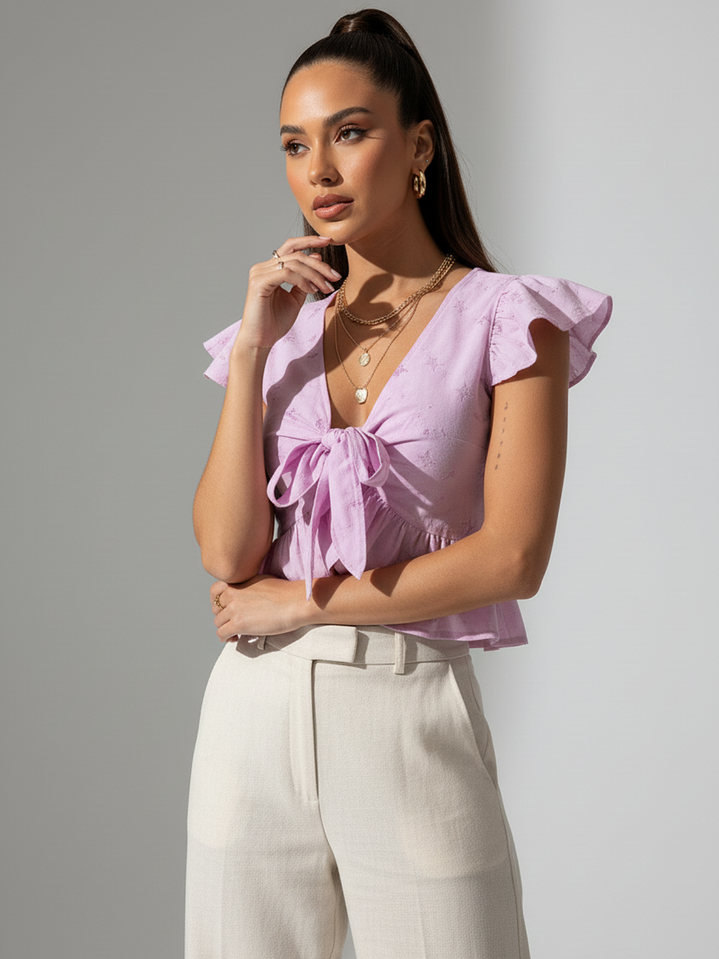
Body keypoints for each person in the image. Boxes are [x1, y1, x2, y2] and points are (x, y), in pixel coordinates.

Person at [185, 8, 612, 959]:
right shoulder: (280, 329)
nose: (319, 170)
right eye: (295, 145)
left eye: (349, 132)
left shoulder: (509, 318)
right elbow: (225, 551)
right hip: (251, 716)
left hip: (408, 709)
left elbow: (512, 557)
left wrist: (302, 602)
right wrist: (252, 346)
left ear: (418, 146)